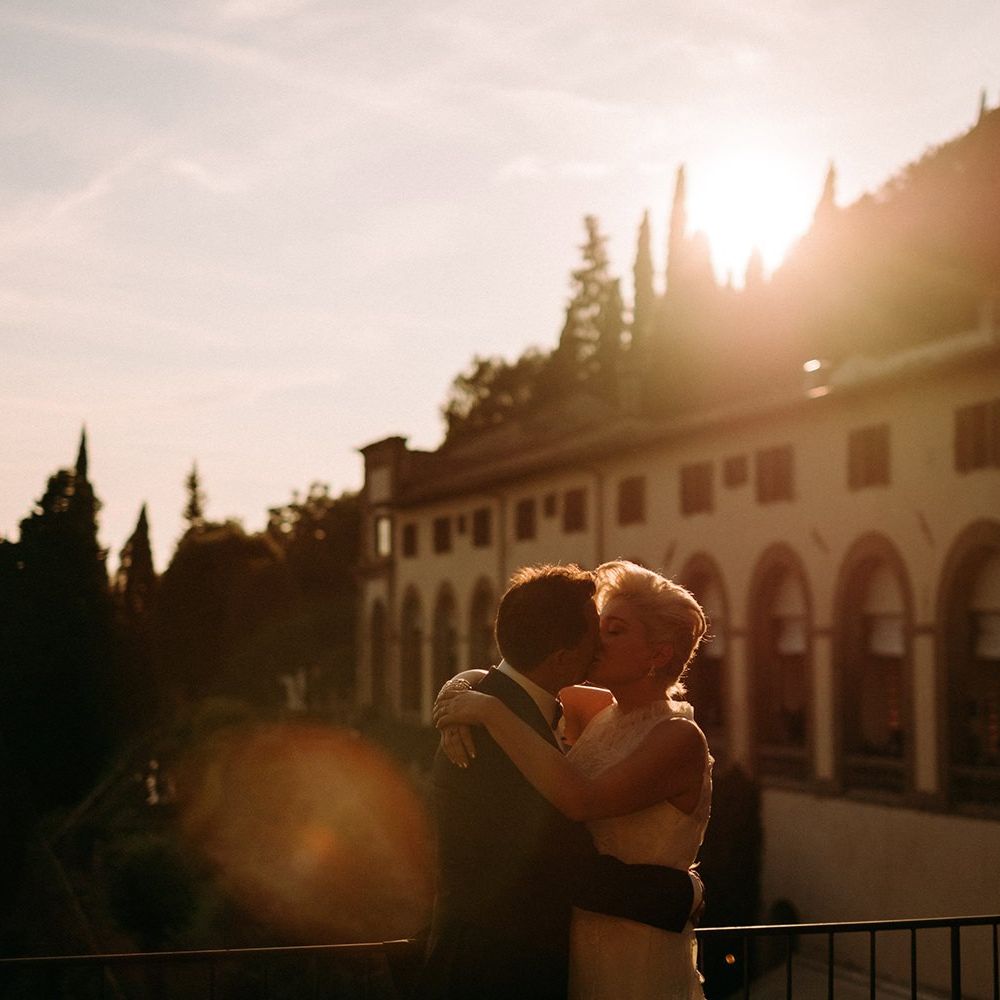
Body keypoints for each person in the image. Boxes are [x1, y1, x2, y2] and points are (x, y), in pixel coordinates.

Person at [414, 564, 700, 1000]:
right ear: (564, 654)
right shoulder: (590, 712)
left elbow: (579, 802)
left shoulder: (675, 736)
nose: (599, 642)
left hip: (627, 950)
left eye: (614, 630)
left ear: (659, 654)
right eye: (598, 628)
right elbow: (509, 676)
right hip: (501, 970)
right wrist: (461, 687)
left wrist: (487, 707)